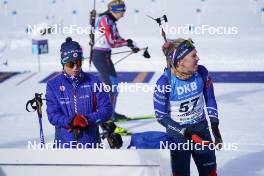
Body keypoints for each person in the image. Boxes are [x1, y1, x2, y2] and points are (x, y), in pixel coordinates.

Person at [153, 38, 223, 175]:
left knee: (210, 172)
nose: (198, 58)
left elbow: (210, 99)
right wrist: (185, 132)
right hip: (178, 135)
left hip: (201, 130)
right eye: (193, 56)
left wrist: (214, 124)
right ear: (180, 62)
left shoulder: (202, 72)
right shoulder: (165, 82)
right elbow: (161, 116)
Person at [46, 37, 112, 148]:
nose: (75, 67)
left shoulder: (94, 82)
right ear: (63, 63)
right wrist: (71, 121)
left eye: (79, 62)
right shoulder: (53, 85)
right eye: (71, 64)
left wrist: (86, 119)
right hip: (64, 145)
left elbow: (106, 110)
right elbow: (53, 116)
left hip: (91, 144)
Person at [92, 0, 139, 120]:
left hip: (105, 56)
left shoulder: (110, 20)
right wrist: (127, 43)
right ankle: (107, 117)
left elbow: (116, 37)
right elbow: (111, 42)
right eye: (122, 12)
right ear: (116, 11)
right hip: (100, 56)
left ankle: (111, 112)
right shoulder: (106, 20)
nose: (123, 15)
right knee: (111, 88)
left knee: (114, 86)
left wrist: (130, 44)